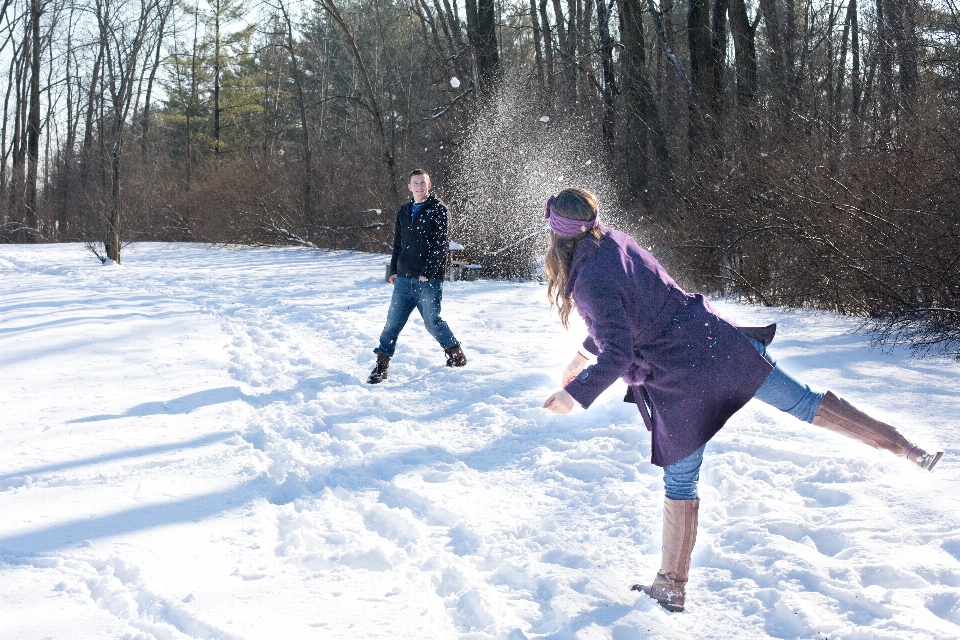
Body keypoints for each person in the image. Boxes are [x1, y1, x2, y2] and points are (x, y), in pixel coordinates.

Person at [539, 188, 942, 613]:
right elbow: (628, 314)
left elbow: (618, 349)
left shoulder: (588, 279)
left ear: (557, 235)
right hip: (719, 344)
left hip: (681, 377)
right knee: (806, 403)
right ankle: (908, 449)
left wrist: (574, 394)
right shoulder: (617, 242)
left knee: (680, 482)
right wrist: (581, 357)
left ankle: (671, 587)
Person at [368, 169, 466, 384]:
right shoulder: (403, 211)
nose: (419, 186)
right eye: (415, 183)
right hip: (403, 280)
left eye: (423, 183)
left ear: (428, 185)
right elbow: (397, 243)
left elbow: (441, 244)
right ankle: (381, 367)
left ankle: (456, 355)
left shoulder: (438, 210)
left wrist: (428, 272)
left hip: (427, 281)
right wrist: (394, 270)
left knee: (432, 323)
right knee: (391, 325)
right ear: (409, 187)